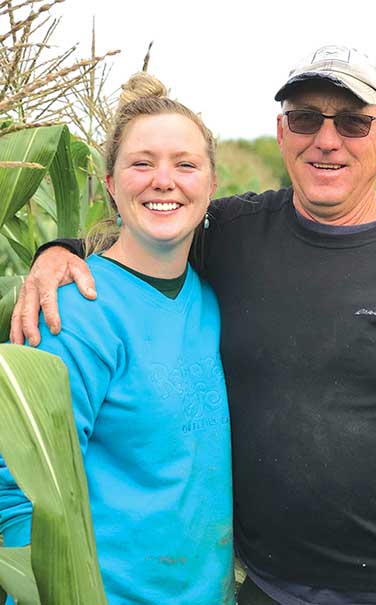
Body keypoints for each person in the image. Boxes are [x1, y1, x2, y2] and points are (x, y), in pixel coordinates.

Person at [9, 45, 376, 605]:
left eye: (354, 121)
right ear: (282, 132)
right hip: (264, 585)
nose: (327, 139)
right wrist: (57, 252)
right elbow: (148, 234)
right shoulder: (234, 235)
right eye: (306, 119)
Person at [0, 73, 235, 605]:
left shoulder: (213, 296)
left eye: (185, 164)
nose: (164, 180)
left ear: (212, 184)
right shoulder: (75, 312)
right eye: (141, 163)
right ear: (110, 182)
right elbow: (18, 490)